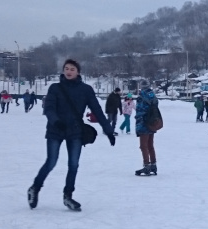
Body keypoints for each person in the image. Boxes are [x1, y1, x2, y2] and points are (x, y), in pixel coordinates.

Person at [27, 59, 115, 211]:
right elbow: (49, 108)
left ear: (78, 72)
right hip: (56, 130)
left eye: (72, 69)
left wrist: (108, 130)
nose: (68, 71)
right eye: (66, 68)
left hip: (75, 132)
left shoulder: (86, 90)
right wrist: (55, 121)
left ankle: (68, 196)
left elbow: (97, 110)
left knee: (73, 164)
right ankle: (35, 188)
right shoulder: (55, 88)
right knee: (51, 161)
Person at [135, 80, 160, 175]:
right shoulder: (152, 95)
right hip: (152, 122)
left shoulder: (142, 96)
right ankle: (153, 164)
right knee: (150, 145)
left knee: (143, 145)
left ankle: (146, 165)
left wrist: (139, 119)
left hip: (143, 122)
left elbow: (140, 110)